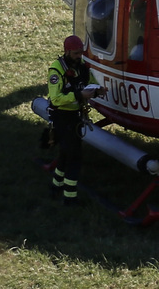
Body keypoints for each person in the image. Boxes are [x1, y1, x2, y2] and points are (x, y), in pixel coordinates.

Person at [47, 34, 99, 206]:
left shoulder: (82, 67)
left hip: (75, 116)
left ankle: (56, 187)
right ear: (67, 51)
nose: (79, 56)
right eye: (76, 53)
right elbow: (56, 99)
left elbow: (91, 82)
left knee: (64, 153)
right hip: (62, 117)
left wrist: (98, 91)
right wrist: (78, 95)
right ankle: (70, 198)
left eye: (80, 53)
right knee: (74, 157)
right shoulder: (57, 70)